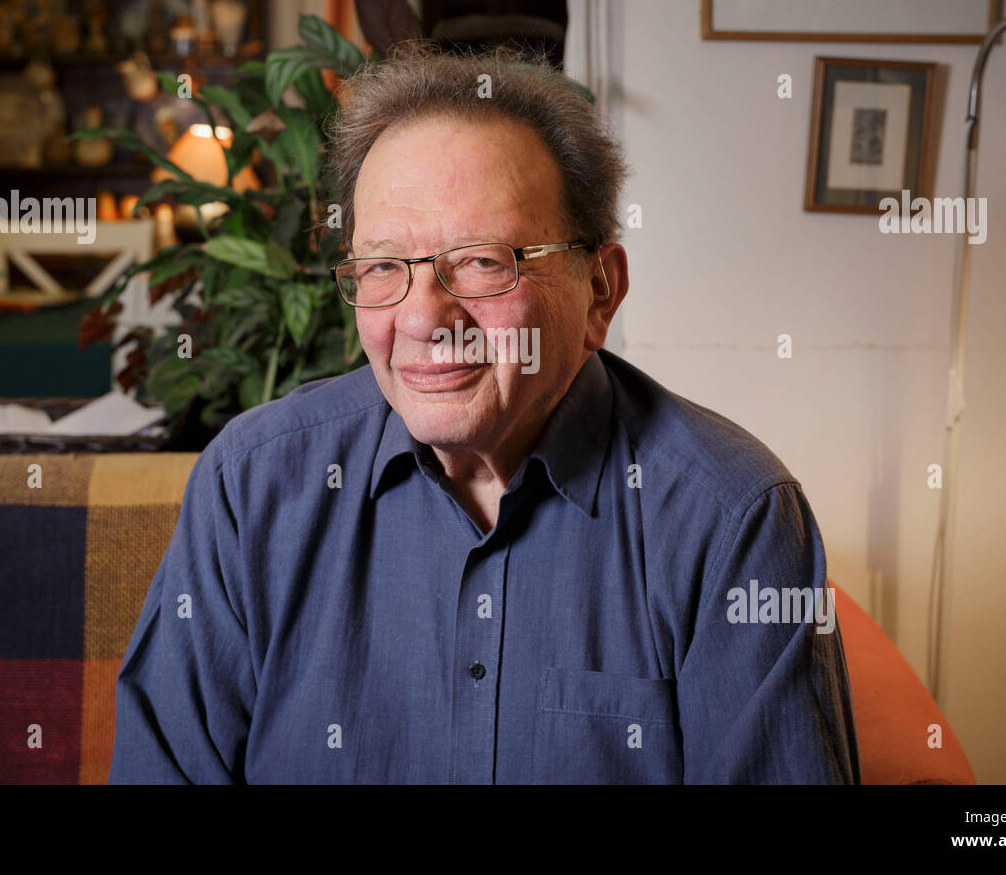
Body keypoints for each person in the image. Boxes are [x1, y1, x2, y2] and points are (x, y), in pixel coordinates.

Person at [110, 42, 860, 784]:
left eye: (482, 260)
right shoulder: (251, 488)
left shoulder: (731, 518)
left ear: (599, 290)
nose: (425, 316)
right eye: (383, 266)